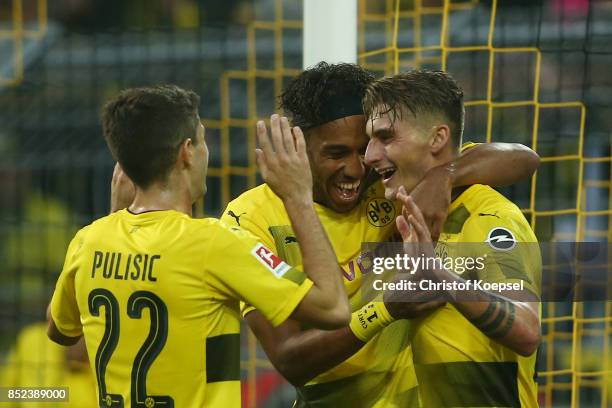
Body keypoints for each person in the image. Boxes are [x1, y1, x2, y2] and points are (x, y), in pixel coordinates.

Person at [220, 62, 541, 407]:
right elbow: (289, 359)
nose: (359, 167)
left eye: (366, 147)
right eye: (336, 154)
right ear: (297, 148)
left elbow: (524, 157)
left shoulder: (389, 181)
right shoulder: (250, 221)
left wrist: (444, 176)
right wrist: (386, 309)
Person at [46, 84, 351, 407]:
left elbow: (59, 330)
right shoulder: (215, 243)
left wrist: (112, 219)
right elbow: (332, 308)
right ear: (187, 151)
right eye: (204, 141)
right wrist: (298, 196)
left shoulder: (89, 240)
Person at [363, 69, 541, 407]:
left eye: (386, 137)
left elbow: (527, 329)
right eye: (370, 139)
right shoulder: (395, 204)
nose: (370, 155)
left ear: (437, 139)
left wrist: (441, 277)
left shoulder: (491, 218)